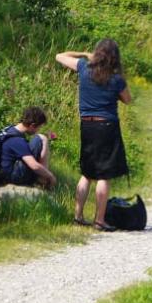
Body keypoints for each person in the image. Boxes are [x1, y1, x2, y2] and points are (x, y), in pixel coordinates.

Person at [56, 40, 133, 232]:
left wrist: (83, 53)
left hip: (87, 124)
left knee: (87, 174)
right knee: (104, 175)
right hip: (106, 125)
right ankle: (99, 220)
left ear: (96, 53)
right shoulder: (116, 79)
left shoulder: (83, 68)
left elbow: (59, 56)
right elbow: (128, 100)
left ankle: (78, 215)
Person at [0, 107, 57, 189]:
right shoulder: (17, 140)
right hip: (12, 177)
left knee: (40, 138)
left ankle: (42, 179)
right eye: (38, 127)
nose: (38, 130)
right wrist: (50, 176)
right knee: (41, 138)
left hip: (4, 173)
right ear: (32, 125)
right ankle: (43, 181)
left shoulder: (9, 129)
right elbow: (34, 166)